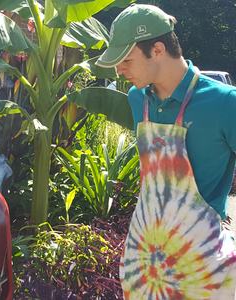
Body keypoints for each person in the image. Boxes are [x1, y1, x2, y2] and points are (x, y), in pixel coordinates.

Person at [96, 4, 236, 299]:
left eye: (127, 60)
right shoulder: (137, 100)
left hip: (203, 271)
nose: (119, 70)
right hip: (148, 267)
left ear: (157, 50)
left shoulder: (224, 103)